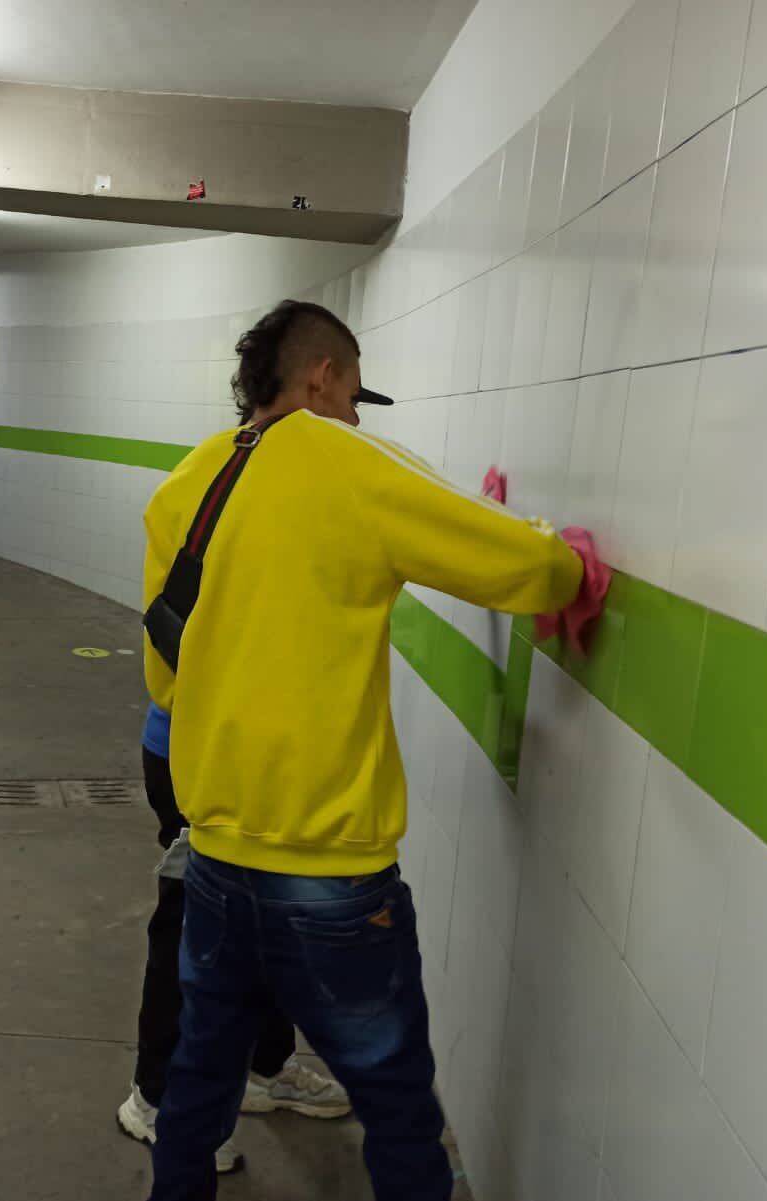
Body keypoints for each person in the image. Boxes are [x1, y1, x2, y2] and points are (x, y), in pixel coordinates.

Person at [141, 300, 599, 1201]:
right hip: (330, 869)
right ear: (323, 376)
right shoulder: (342, 458)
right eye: (353, 394)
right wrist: (566, 564)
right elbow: (523, 567)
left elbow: (166, 674)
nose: (356, 416)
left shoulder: (187, 482)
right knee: (393, 1102)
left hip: (216, 854)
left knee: (199, 1080)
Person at [117, 698, 350, 1176]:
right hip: (202, 753)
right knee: (190, 925)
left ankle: (263, 1068)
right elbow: (177, 635)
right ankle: (153, 1098)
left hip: (267, 756)